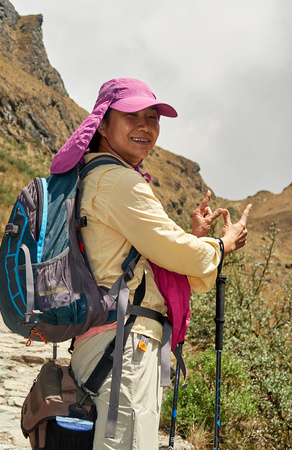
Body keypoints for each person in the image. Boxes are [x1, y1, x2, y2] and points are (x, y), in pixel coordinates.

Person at [51, 78, 252, 449]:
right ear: (104, 123)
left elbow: (154, 253)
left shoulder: (92, 175)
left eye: (153, 117)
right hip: (123, 347)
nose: (146, 126)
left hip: (105, 342)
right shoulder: (118, 181)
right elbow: (175, 252)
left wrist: (192, 238)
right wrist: (222, 244)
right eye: (132, 116)